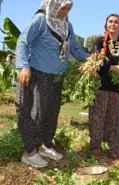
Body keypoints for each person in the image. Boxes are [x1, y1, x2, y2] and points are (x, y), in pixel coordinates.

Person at [15, 0, 89, 168]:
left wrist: (90, 59)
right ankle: (29, 152)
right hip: (38, 74)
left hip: (56, 77)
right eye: (63, 8)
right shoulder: (40, 20)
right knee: (36, 113)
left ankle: (45, 145)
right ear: (54, 5)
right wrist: (23, 66)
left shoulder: (66, 26)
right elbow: (23, 42)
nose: (65, 12)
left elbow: (75, 49)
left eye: (69, 9)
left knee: (51, 113)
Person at [89, 13, 119, 163]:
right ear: (106, 24)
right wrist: (112, 68)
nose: (113, 24)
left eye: (116, 22)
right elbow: (95, 60)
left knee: (116, 120)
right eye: (110, 22)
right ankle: (95, 148)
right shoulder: (99, 41)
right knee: (97, 119)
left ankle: (114, 149)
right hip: (100, 87)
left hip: (117, 89)